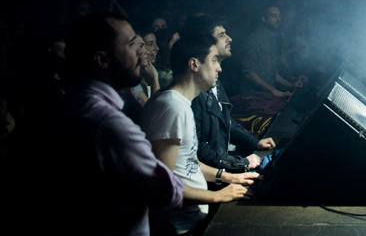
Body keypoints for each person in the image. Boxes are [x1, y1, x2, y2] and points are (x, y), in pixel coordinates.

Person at [55, 12, 184, 235]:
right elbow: (170, 195)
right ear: (102, 60)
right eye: (131, 44)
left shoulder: (66, 106)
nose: (142, 51)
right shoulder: (110, 125)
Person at [140, 34, 259, 234]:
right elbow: (163, 184)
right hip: (178, 227)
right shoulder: (172, 108)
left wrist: (227, 177)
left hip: (191, 220)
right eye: (214, 60)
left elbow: (186, 162)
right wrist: (217, 196)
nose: (219, 68)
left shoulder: (180, 104)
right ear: (194, 64)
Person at [181, 14, 276, 173]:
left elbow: (226, 122)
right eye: (221, 35)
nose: (229, 38)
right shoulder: (194, 92)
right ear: (205, 42)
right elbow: (199, 150)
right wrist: (239, 164)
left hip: (219, 165)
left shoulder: (214, 80)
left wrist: (254, 142)